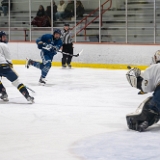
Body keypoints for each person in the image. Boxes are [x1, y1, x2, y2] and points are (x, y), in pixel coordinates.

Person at [126, 50, 160, 132]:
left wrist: (138, 81)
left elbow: (146, 88)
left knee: (150, 106)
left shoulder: (153, 68)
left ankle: (146, 119)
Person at [0, 31, 34, 103]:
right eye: (3, 37)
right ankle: (27, 96)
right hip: (4, 66)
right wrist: (10, 66)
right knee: (16, 82)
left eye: (5, 37)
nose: (5, 38)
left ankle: (3, 92)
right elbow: (8, 58)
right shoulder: (4, 45)